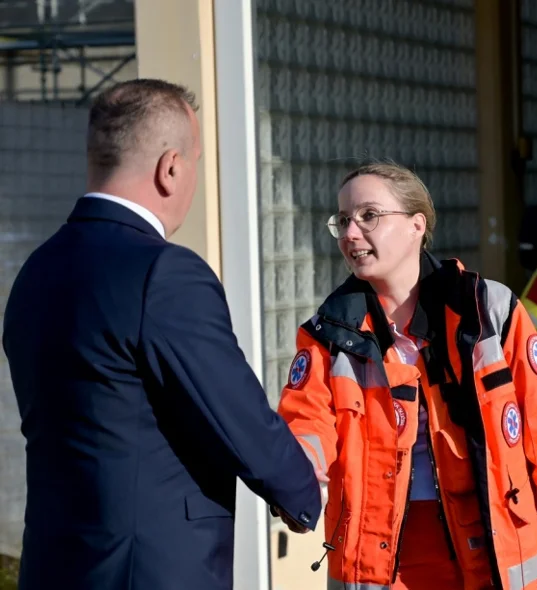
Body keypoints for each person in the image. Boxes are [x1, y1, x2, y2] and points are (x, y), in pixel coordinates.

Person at [2, 79, 322, 590]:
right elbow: (233, 410)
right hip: (149, 571)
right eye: (194, 160)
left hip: (55, 566)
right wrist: (302, 488)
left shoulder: (35, 272)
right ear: (170, 168)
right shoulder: (165, 273)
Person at [276, 162, 537, 589]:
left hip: (493, 556)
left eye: (368, 216)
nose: (351, 233)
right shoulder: (329, 333)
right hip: (377, 564)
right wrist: (290, 478)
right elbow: (307, 423)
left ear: (417, 225)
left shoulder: (490, 313)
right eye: (343, 221)